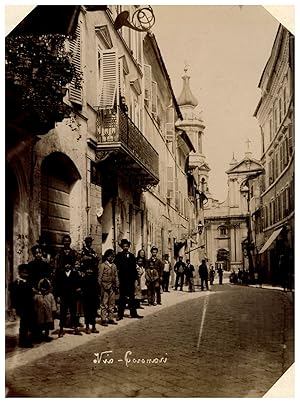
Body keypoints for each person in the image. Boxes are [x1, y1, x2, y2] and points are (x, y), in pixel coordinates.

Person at [54, 254, 83, 337]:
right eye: (66, 264)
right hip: (63, 297)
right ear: (64, 264)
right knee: (63, 313)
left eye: (69, 264)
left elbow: (79, 284)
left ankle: (75, 328)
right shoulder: (60, 274)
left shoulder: (75, 274)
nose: (67, 266)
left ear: (71, 265)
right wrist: (58, 296)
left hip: (73, 296)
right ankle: (61, 329)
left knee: (74, 313)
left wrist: (79, 288)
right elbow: (57, 286)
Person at [114, 239, 143, 320]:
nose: (125, 248)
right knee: (122, 298)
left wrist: (136, 278)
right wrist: (118, 279)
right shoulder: (119, 256)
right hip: (123, 280)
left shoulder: (132, 256)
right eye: (124, 246)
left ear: (129, 246)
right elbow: (116, 268)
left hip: (130, 280)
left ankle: (133, 313)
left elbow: (134, 268)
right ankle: (120, 314)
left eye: (127, 246)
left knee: (132, 297)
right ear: (122, 247)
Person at [10, 264, 34, 348]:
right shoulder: (15, 284)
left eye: (27, 273)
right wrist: (13, 308)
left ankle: (25, 340)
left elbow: (31, 295)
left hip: (29, 306)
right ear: (20, 273)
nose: (26, 275)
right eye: (24, 273)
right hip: (21, 307)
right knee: (24, 324)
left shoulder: (29, 282)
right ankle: (23, 341)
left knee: (27, 324)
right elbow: (13, 297)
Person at [99, 249, 119, 326]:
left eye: (113, 256)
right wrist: (100, 287)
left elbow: (116, 276)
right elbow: (99, 277)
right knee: (104, 303)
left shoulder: (114, 266)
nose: (111, 258)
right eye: (110, 256)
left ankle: (110, 318)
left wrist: (117, 285)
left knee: (112, 303)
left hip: (112, 287)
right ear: (106, 256)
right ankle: (103, 319)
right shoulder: (103, 265)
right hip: (104, 287)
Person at [33, 278, 56, 342]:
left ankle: (46, 336)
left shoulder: (50, 295)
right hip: (40, 313)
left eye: (45, 288)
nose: (44, 289)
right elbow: (35, 304)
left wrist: (53, 309)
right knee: (40, 325)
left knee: (47, 326)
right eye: (42, 287)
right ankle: (39, 336)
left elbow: (53, 303)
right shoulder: (37, 296)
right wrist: (35, 311)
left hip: (48, 313)